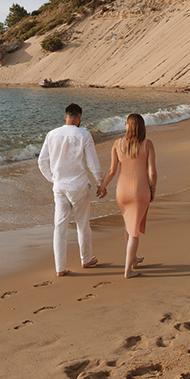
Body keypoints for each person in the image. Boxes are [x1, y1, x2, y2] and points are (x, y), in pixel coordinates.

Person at [38, 103, 103, 277]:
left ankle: (60, 268)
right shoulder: (84, 134)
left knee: (60, 227)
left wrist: (53, 179)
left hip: (59, 187)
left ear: (65, 116)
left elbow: (42, 162)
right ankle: (86, 259)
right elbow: (92, 163)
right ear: (79, 117)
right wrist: (100, 181)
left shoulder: (52, 134)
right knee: (83, 224)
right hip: (79, 186)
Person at [98, 113, 157, 279]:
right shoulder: (147, 144)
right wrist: (152, 190)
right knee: (134, 231)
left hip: (122, 192)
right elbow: (152, 172)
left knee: (129, 224)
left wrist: (102, 187)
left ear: (128, 127)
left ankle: (133, 260)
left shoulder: (117, 144)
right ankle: (128, 270)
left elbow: (111, 171)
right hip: (140, 191)